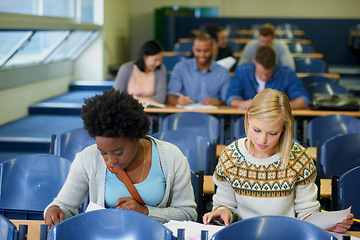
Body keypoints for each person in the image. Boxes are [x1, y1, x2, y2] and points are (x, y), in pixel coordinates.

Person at [203, 88, 354, 233]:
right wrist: (222, 211)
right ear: (248, 118)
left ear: (283, 128)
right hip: (242, 234)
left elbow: (307, 213)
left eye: (272, 133)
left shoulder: (299, 158)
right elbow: (224, 204)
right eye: (257, 130)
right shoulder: (230, 155)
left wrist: (329, 225)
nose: (262, 140)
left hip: (286, 235)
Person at [44, 89, 197, 228]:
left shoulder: (171, 156)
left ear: (136, 136)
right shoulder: (87, 158)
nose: (111, 160)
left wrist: (145, 212)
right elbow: (64, 205)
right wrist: (55, 211)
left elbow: (188, 214)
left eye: (118, 152)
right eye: (103, 152)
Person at [226, 45, 309, 110]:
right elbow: (231, 98)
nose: (264, 77)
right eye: (261, 73)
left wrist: (279, 107)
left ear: (274, 65)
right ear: (254, 62)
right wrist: (243, 104)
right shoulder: (242, 71)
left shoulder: (287, 74)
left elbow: (303, 100)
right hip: (246, 120)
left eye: (268, 74)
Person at [167, 32, 231, 106]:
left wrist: (218, 102)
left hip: (213, 115)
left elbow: (227, 100)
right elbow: (171, 96)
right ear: (193, 49)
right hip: (186, 114)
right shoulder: (180, 68)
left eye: (206, 51)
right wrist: (177, 101)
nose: (202, 55)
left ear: (212, 49)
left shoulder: (223, 72)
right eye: (198, 50)